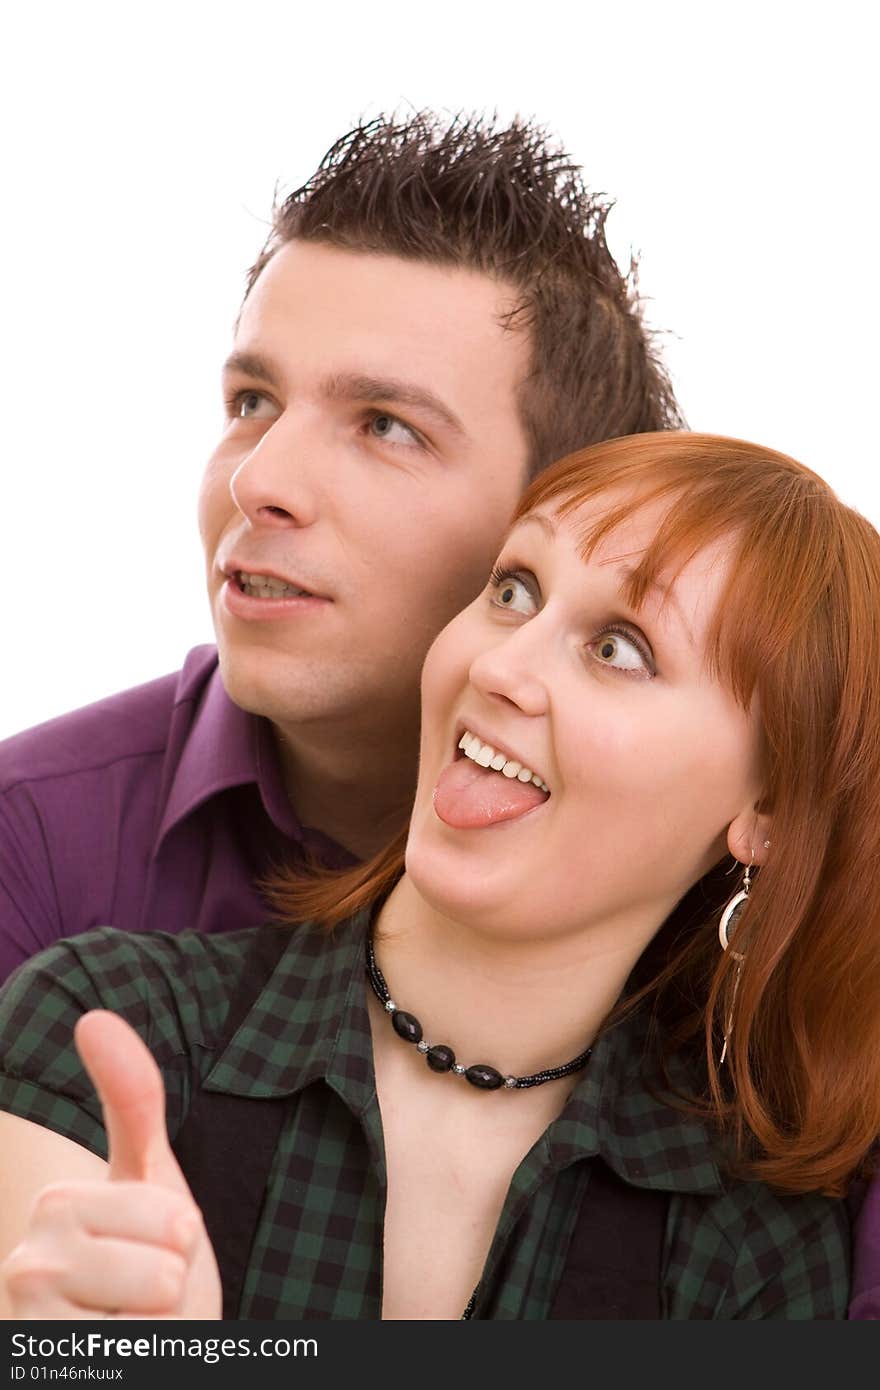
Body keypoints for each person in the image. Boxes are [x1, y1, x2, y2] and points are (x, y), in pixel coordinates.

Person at [2, 432, 878, 1321]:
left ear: (767, 813)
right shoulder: (108, 1021)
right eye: (512, 591)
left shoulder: (755, 1246)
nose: (499, 666)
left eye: (618, 648)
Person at [0, 111, 681, 985]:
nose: (258, 481)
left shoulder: (712, 881)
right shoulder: (31, 840)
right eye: (253, 402)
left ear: (562, 517)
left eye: (386, 426)